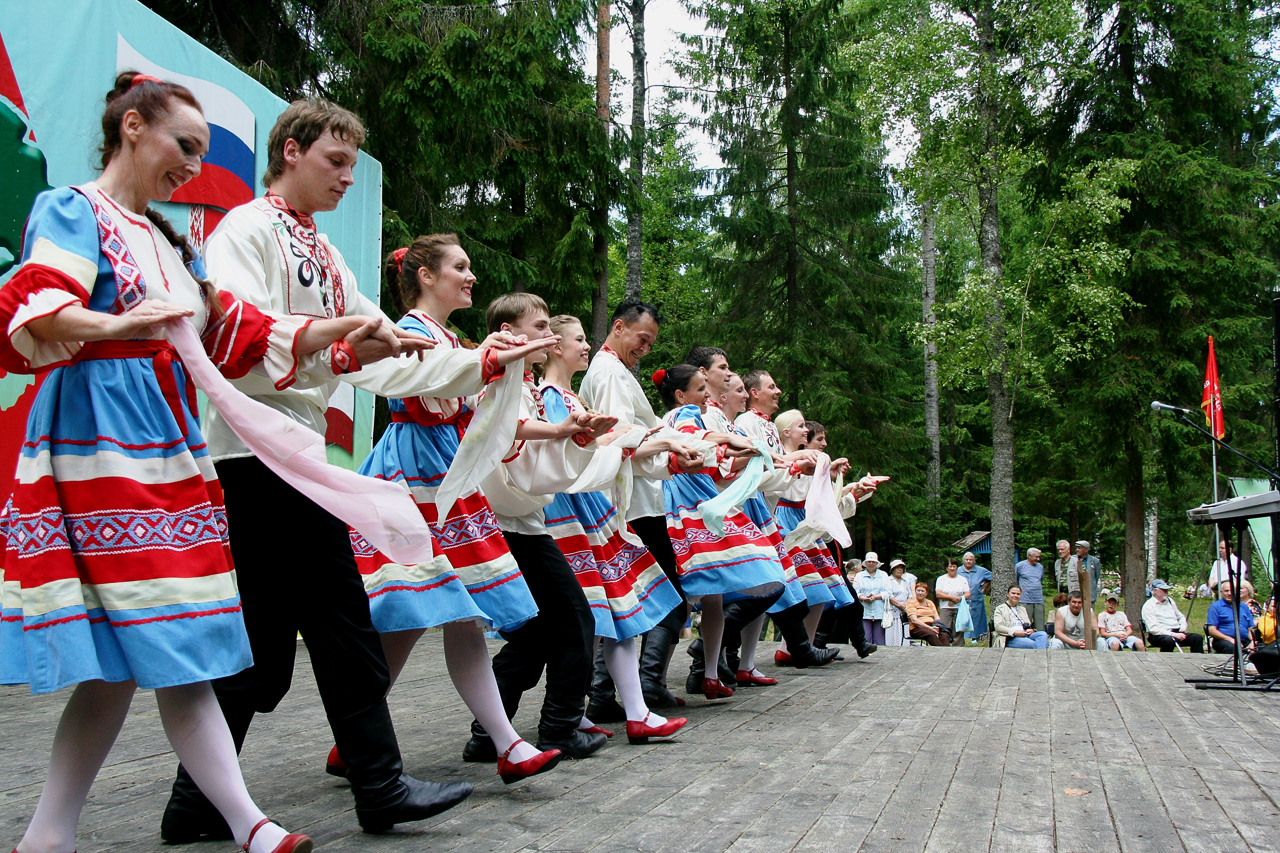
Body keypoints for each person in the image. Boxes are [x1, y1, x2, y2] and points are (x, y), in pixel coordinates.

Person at [0, 72, 410, 853]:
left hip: (165, 446)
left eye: (201, 151)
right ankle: (242, 823)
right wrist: (122, 322)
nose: (193, 165)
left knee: (157, 648)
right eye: (184, 146)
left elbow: (233, 334)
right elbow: (38, 310)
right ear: (131, 128)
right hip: (100, 441)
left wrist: (340, 332)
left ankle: (62, 833)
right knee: (166, 643)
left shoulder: (166, 240)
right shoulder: (74, 210)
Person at [163, 98, 523, 839]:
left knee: (269, 643)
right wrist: (337, 348)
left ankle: (198, 801)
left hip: (291, 457)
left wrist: (481, 363)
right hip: (253, 453)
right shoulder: (245, 231)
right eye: (336, 161)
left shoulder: (323, 253)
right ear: (290, 151)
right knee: (336, 620)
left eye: (353, 166)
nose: (347, 177)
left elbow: (391, 354)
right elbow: (229, 339)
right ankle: (376, 784)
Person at [335, 236, 566, 785]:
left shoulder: (447, 337)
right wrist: (490, 359)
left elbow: (470, 400)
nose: (470, 276)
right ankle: (503, 744)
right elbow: (438, 382)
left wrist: (498, 363)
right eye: (459, 267)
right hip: (416, 470)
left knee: (437, 614)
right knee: (428, 611)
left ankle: (358, 741)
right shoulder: (408, 331)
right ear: (425, 276)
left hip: (443, 467)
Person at [537, 314, 688, 743]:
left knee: (615, 609)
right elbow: (578, 456)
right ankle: (572, 710)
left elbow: (607, 443)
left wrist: (657, 446)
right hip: (574, 510)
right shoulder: (563, 392)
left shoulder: (572, 394)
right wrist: (653, 442)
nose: (586, 345)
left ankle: (621, 709)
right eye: (578, 339)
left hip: (592, 507)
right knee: (592, 614)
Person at [579, 301, 697, 709]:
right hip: (630, 504)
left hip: (635, 499)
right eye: (642, 339)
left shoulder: (613, 370)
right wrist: (670, 448)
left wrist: (671, 456)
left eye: (650, 344)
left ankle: (607, 690)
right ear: (619, 327)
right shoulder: (611, 373)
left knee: (629, 595)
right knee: (659, 595)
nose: (645, 349)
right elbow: (620, 441)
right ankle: (632, 686)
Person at [655, 363, 784, 699]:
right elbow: (695, 439)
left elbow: (709, 451)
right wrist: (732, 441)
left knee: (701, 593)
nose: (706, 396)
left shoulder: (667, 418)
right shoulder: (686, 413)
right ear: (681, 395)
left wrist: (739, 449)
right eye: (700, 389)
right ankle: (706, 673)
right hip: (690, 498)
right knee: (702, 587)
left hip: (687, 494)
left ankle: (677, 676)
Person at [1141, 579, 1205, 653]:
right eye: (1163, 590)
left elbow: (1180, 616)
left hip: (1176, 631)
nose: (1166, 592)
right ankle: (1166, 659)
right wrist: (1173, 634)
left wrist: (1183, 626)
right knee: (1168, 640)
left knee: (1197, 638)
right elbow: (1154, 629)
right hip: (1158, 635)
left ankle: (1197, 658)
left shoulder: (1170, 601)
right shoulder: (1148, 606)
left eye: (1166, 590)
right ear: (1155, 591)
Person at [1206, 581, 1256, 656]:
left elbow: (1250, 628)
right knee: (1233, 648)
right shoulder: (1215, 607)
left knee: (1261, 649)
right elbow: (1212, 630)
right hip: (1223, 640)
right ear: (1221, 592)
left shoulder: (1244, 607)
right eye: (1226, 591)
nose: (1229, 593)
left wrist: (1252, 642)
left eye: (1232, 590)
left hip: (1244, 640)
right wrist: (1230, 639)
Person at [853, 553, 890, 645]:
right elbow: (855, 591)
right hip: (864, 610)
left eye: (873, 562)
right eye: (869, 562)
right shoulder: (859, 576)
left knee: (879, 639)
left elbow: (888, 592)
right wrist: (863, 598)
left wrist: (876, 597)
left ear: (877, 563)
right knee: (866, 637)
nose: (871, 564)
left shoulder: (884, 575)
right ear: (865, 563)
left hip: (879, 611)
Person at [934, 558, 970, 646]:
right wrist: (951, 598)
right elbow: (938, 594)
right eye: (950, 566)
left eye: (954, 566)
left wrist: (958, 599)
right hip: (945, 608)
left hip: (959, 608)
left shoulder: (962, 579)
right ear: (947, 568)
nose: (952, 568)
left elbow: (968, 594)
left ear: (957, 567)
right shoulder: (941, 579)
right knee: (944, 629)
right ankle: (945, 646)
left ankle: (958, 648)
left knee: (958, 629)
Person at [958, 551, 993, 640]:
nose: (968, 561)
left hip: (977, 600)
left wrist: (985, 587)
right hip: (962, 601)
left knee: (978, 620)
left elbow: (993, 577)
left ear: (974, 561)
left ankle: (977, 637)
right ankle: (964, 638)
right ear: (963, 561)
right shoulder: (958, 571)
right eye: (967, 560)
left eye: (971, 560)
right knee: (964, 619)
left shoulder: (981, 571)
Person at [1014, 548, 1047, 630]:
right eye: (1036, 557)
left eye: (1039, 557)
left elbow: (1041, 580)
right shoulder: (1020, 566)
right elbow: (1015, 580)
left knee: (1040, 625)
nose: (1038, 559)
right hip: (1025, 600)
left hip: (1038, 599)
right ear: (1029, 556)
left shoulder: (1040, 567)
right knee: (1025, 625)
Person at [884, 560, 913, 647]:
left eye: (901, 568)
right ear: (892, 569)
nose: (900, 570)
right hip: (892, 611)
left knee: (904, 631)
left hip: (904, 611)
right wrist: (900, 604)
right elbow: (889, 595)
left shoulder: (905, 581)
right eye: (897, 568)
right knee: (892, 632)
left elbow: (910, 595)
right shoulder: (888, 580)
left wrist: (906, 604)